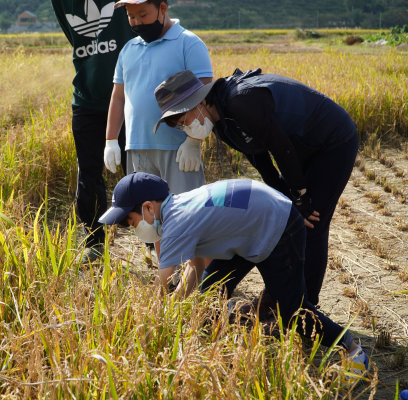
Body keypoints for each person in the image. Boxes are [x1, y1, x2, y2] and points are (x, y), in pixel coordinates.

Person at [99, 172, 370, 388]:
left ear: (147, 208)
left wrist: (147, 328)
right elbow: (195, 265)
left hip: (278, 224)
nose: (134, 228)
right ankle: (249, 320)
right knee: (209, 296)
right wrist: (179, 308)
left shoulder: (175, 223)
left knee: (293, 312)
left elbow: (161, 287)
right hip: (249, 224)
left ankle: (354, 351)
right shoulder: (178, 206)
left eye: (132, 222)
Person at [153, 69, 359, 310]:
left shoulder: (240, 101)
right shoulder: (221, 123)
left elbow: (280, 148)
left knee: (311, 224)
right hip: (299, 147)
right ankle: (280, 295)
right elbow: (258, 157)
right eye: (180, 127)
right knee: (286, 219)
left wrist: (300, 198)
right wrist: (284, 194)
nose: (186, 129)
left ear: (197, 102)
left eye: (183, 121)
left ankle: (305, 308)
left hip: (332, 141)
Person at [51, 0, 135, 263]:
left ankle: (151, 239)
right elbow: (72, 35)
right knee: (88, 172)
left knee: (136, 170)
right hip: (86, 100)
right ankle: (94, 241)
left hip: (128, 96)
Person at [104, 0, 213, 195]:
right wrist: (111, 140)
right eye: (131, 17)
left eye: (143, 15)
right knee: (147, 219)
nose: (137, 22)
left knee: (184, 216)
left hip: (178, 148)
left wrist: (193, 141)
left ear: (163, 8)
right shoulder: (128, 49)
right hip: (137, 147)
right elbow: (119, 97)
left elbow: (204, 96)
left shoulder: (188, 43)